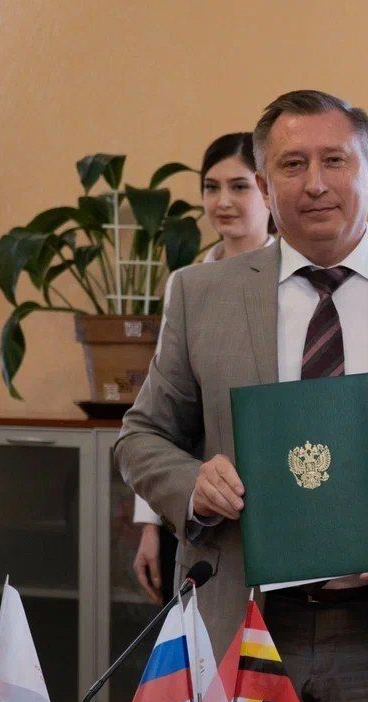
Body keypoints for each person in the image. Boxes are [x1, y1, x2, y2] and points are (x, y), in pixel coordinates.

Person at [116, 89, 368, 702]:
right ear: (266, 186)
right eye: (292, 165)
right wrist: (192, 484)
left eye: (335, 161)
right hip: (245, 631)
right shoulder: (201, 295)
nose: (315, 183)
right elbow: (141, 436)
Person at [131, 131, 274, 605]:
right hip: (198, 502)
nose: (222, 201)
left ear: (267, 191)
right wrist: (150, 525)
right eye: (211, 187)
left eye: (239, 186)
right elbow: (162, 414)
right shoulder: (188, 284)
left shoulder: (297, 278)